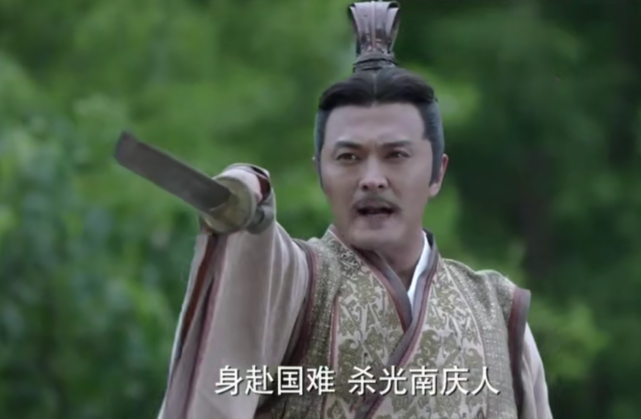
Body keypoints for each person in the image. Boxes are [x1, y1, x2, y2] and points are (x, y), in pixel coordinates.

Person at [156, 2, 553, 418]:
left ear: (437, 173)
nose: (372, 179)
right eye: (348, 158)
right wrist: (246, 188)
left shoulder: (497, 312)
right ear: (321, 174)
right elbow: (260, 254)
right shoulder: (299, 285)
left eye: (396, 155)